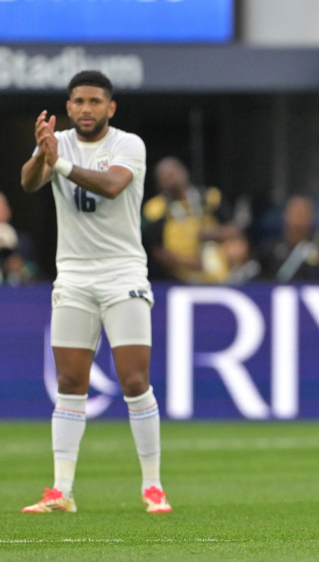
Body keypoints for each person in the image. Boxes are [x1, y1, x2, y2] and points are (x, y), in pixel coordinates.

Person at [19, 70, 171, 514]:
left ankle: (153, 486)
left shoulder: (128, 145)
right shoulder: (57, 141)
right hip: (73, 276)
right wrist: (42, 155)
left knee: (134, 380)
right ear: (68, 107)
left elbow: (111, 186)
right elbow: (30, 183)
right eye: (78, 101)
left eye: (95, 101)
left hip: (123, 273)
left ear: (111, 107)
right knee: (69, 382)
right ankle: (61, 491)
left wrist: (58, 162)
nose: (86, 108)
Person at [142, 157, 230, 283]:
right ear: (158, 182)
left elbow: (234, 229)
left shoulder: (209, 197)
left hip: (216, 268)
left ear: (185, 172)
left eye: (173, 174)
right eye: (165, 177)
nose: (171, 180)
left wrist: (211, 234)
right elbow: (153, 249)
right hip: (175, 277)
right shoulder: (155, 208)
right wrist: (185, 262)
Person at [261, 196, 319, 282]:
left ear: (312, 217)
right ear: (285, 216)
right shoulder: (270, 249)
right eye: (295, 214)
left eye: (303, 214)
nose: (299, 220)